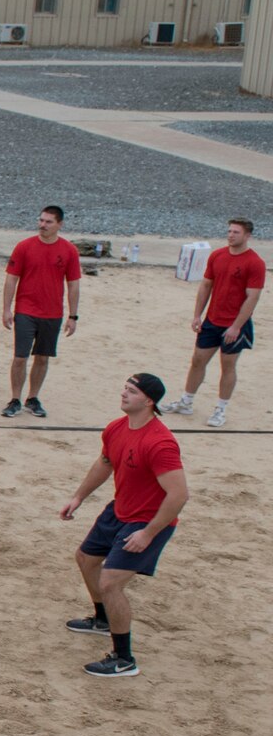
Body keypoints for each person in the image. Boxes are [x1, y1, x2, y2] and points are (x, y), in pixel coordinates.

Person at [59, 374, 189, 678]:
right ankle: (103, 620)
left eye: (132, 391)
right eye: (125, 389)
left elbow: (179, 494)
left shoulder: (160, 443)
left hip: (149, 519)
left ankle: (124, 658)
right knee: (86, 559)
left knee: (111, 583)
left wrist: (148, 533)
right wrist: (78, 496)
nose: (124, 394)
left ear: (149, 401)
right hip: (119, 510)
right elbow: (105, 463)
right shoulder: (116, 428)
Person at [161, 217, 260, 428]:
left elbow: (252, 297)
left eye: (236, 232)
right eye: (230, 231)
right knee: (197, 360)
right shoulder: (217, 255)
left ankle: (220, 409)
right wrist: (197, 315)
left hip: (235, 324)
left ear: (247, 235)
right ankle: (186, 401)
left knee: (228, 365)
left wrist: (235, 326)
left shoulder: (254, 263)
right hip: (212, 320)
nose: (231, 235)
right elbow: (206, 285)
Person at [0, 206, 83, 419]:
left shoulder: (69, 251)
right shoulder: (24, 247)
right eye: (41, 220)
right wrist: (7, 308)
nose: (42, 225)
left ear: (59, 225)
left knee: (43, 358)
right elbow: (11, 278)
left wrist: (73, 316)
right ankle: (15, 398)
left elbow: (73, 284)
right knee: (20, 357)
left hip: (52, 313)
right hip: (26, 310)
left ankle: (33, 397)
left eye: (48, 222)